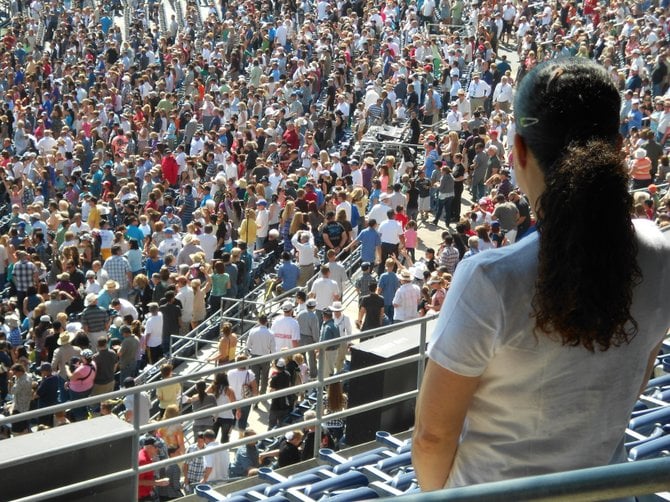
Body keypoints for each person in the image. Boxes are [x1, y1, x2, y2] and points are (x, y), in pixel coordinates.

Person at [413, 59, 670, 491]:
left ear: (519, 150)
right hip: (603, 491)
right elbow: (637, 375)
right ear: (619, 148)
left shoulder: (490, 280)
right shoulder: (661, 255)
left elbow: (432, 436)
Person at [137, 436, 169, 502]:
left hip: (145, 494)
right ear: (149, 447)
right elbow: (137, 481)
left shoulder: (145, 456)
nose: (158, 449)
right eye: (156, 447)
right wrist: (157, 483)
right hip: (141, 497)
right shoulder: (143, 460)